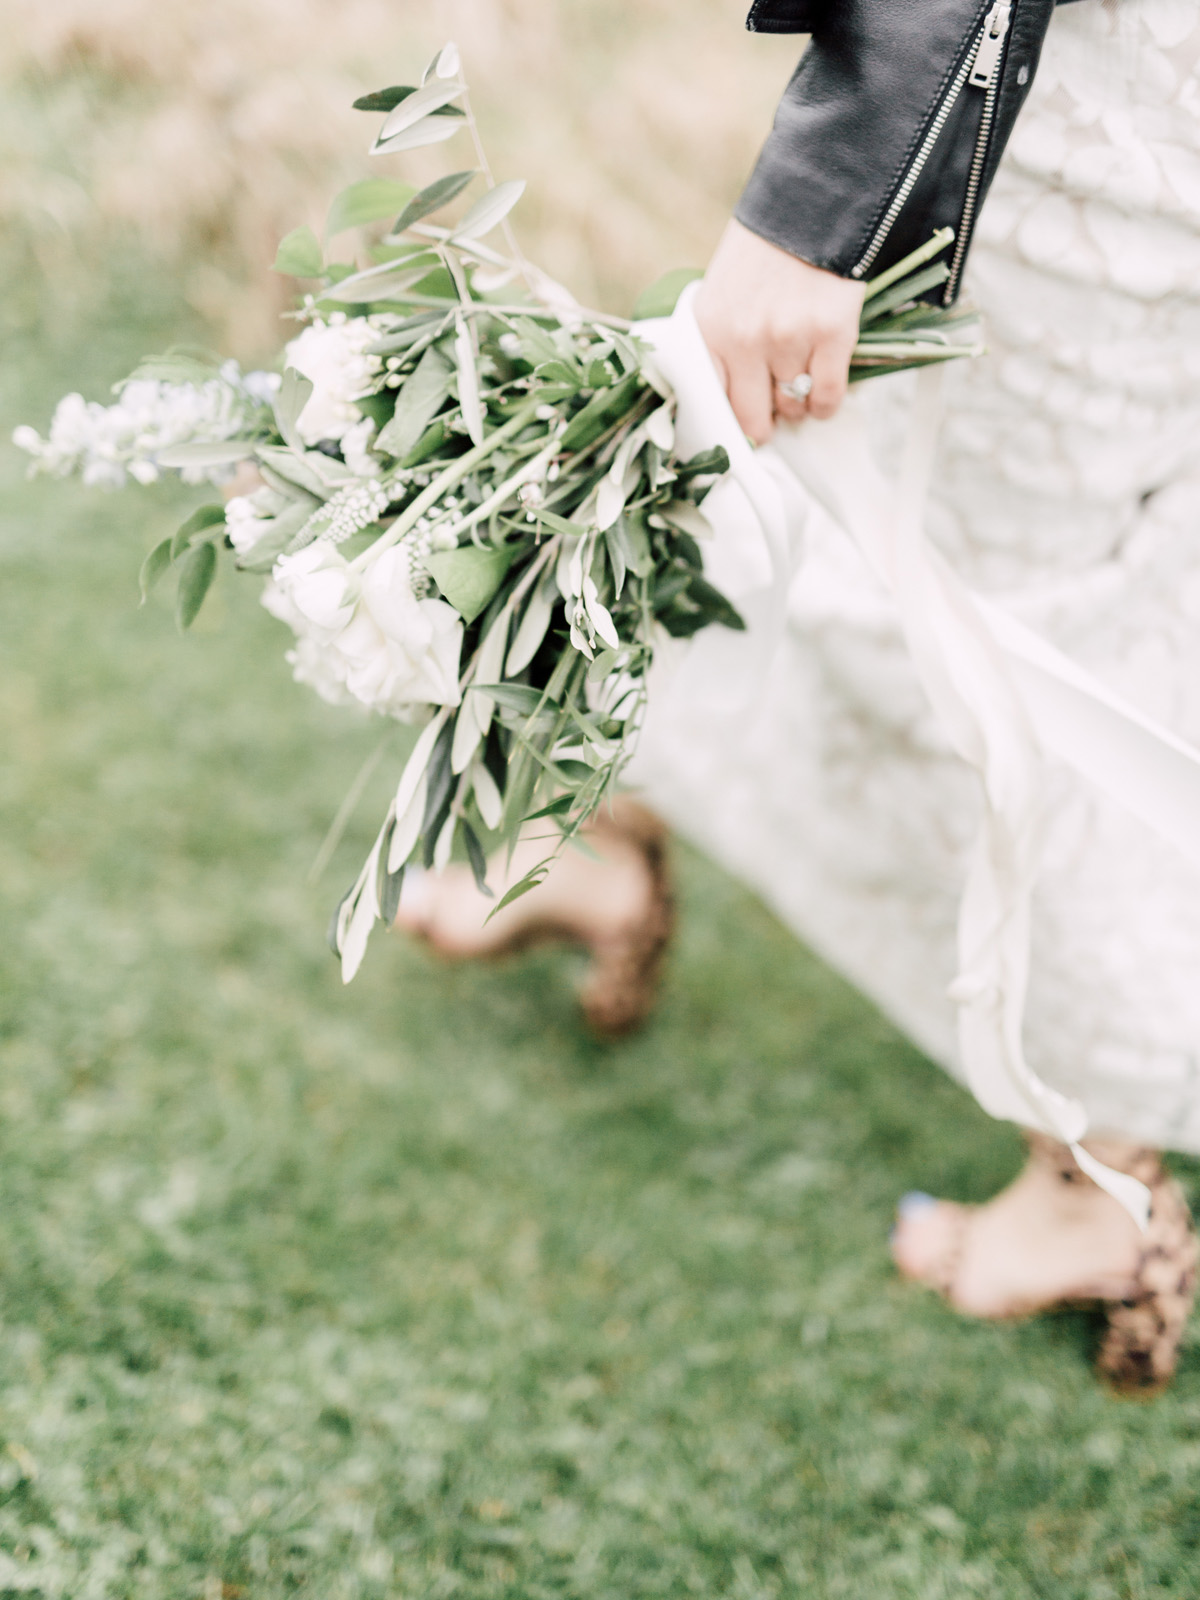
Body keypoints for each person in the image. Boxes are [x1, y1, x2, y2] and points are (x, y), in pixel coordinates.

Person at [398, 0, 1200, 1391]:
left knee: (976, 630)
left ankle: (1099, 1184)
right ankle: (610, 834)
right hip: (1023, 98)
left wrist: (819, 206)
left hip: (1079, 129)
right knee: (779, 484)